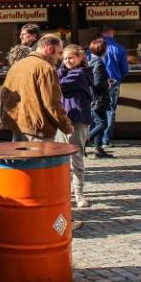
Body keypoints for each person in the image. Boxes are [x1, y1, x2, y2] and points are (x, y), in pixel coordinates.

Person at [0, 34, 73, 141]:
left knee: (21, 158)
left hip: (17, 127)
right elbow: (52, 104)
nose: (59, 58)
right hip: (38, 131)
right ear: (50, 49)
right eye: (59, 53)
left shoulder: (16, 66)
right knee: (38, 158)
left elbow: (4, 97)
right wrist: (67, 127)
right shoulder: (46, 68)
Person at [58, 44, 93, 208]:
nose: (67, 61)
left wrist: (58, 72)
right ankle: (66, 191)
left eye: (71, 57)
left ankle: (79, 194)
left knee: (76, 159)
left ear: (80, 58)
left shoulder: (79, 74)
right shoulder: (66, 71)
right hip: (64, 119)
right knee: (62, 159)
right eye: (64, 58)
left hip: (77, 119)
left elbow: (57, 85)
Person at [97, 25, 129, 148]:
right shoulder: (119, 48)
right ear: (112, 33)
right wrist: (118, 78)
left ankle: (96, 138)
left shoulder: (94, 47)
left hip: (98, 83)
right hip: (114, 82)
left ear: (101, 33)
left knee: (97, 109)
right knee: (110, 110)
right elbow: (125, 69)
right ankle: (105, 139)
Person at [87, 39, 112, 158]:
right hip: (98, 98)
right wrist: (108, 84)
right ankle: (84, 141)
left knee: (99, 122)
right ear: (102, 49)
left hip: (94, 98)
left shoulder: (91, 60)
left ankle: (98, 148)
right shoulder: (99, 63)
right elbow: (96, 83)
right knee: (103, 123)